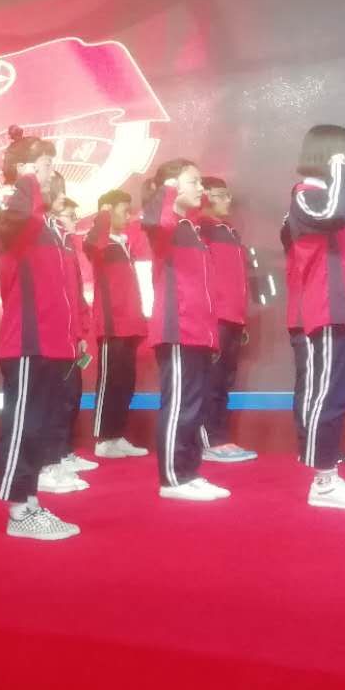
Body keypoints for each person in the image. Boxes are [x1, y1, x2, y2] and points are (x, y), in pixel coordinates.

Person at [282, 125, 345, 509]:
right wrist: (340, 168)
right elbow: (337, 211)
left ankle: (327, 469)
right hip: (328, 310)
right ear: (329, 153)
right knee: (327, 395)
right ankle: (324, 482)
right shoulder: (306, 196)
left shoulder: (325, 198)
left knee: (340, 395)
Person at [0, 133, 82, 539]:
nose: (50, 172)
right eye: (45, 164)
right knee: (23, 425)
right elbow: (11, 222)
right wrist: (25, 175)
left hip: (52, 344)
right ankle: (19, 511)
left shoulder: (48, 227)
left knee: (39, 427)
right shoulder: (14, 217)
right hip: (27, 341)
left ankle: (30, 501)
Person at [142, 159, 229, 502]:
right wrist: (168, 188)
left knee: (194, 406)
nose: (201, 188)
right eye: (193, 181)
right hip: (177, 329)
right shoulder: (165, 225)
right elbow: (154, 218)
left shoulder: (189, 227)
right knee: (180, 405)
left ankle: (190, 472)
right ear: (173, 186)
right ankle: (173, 478)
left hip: (199, 331)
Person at [84, 191, 150, 459]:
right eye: (124, 210)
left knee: (125, 383)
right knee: (109, 383)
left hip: (131, 326)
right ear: (108, 211)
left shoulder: (124, 244)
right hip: (112, 326)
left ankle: (117, 435)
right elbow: (94, 243)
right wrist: (104, 213)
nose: (129, 216)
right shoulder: (98, 243)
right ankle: (103, 439)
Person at [198, 177, 258, 463]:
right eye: (220, 195)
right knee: (210, 382)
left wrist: (241, 319)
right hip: (214, 318)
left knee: (223, 382)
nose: (227, 200)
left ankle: (220, 438)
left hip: (233, 318)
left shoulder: (228, 231)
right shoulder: (200, 229)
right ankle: (208, 442)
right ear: (205, 196)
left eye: (228, 194)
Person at [41, 183, 94, 491]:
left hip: (69, 334)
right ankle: (48, 461)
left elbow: (75, 294)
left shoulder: (66, 245)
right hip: (47, 335)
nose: (73, 220)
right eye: (68, 214)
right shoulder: (39, 237)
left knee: (69, 396)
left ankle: (61, 454)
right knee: (52, 400)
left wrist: (80, 330)